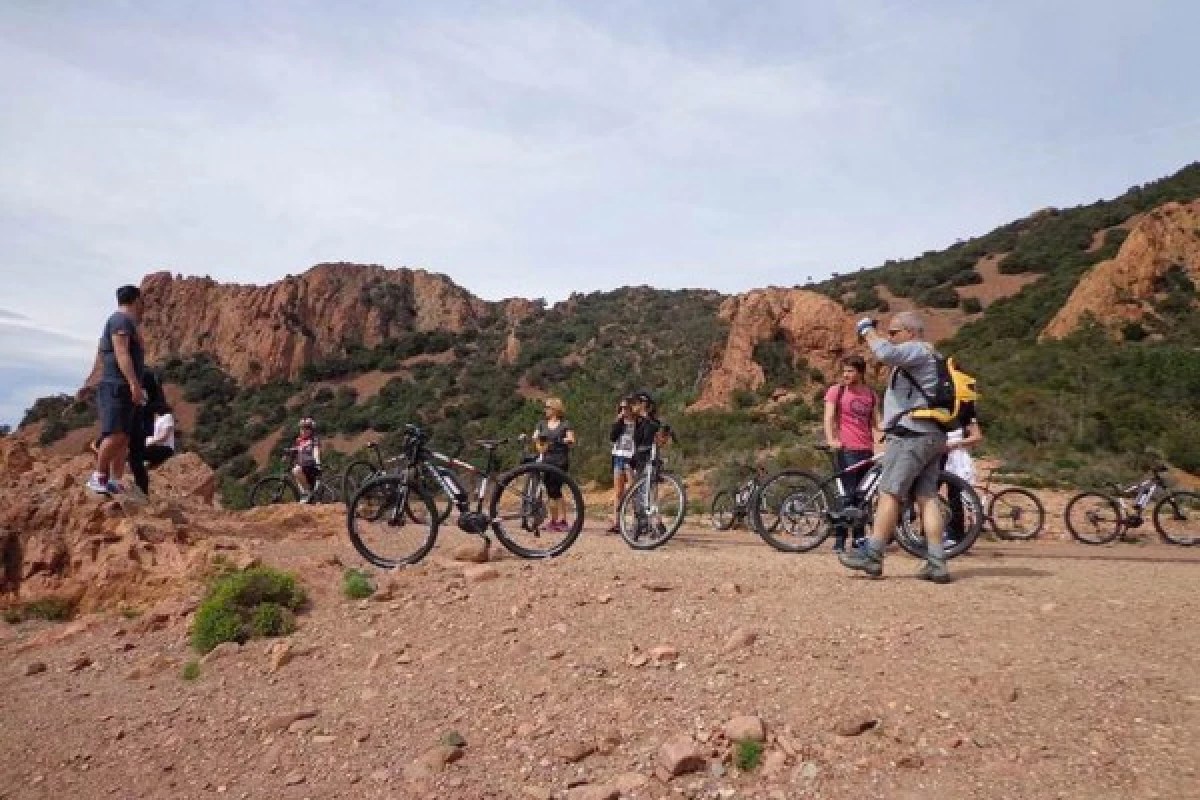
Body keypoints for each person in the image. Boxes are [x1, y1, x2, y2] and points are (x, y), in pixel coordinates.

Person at [839, 311, 951, 583]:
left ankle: (873, 556)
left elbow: (884, 354)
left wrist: (867, 329)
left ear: (911, 332)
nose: (890, 337)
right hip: (931, 435)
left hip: (910, 435)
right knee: (927, 497)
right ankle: (937, 562)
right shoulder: (933, 357)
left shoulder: (916, 349)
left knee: (889, 492)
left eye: (894, 332)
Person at [87, 285, 146, 496]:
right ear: (136, 300)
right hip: (117, 385)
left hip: (122, 386)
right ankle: (98, 477)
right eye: (142, 301)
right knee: (115, 434)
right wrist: (133, 383)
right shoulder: (120, 320)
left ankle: (113, 480)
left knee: (124, 437)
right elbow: (122, 353)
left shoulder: (126, 322)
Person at [822, 355, 881, 552]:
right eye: (844, 371)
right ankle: (839, 540)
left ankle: (858, 539)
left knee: (862, 497)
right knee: (847, 496)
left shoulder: (871, 395)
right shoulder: (836, 391)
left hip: (867, 450)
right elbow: (829, 417)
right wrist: (832, 439)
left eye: (850, 371)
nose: (846, 375)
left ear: (860, 373)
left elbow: (877, 423)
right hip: (846, 448)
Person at [941, 396, 983, 548]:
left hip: (956, 459)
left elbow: (977, 436)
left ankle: (956, 535)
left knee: (955, 496)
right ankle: (926, 533)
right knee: (929, 493)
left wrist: (956, 444)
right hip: (937, 457)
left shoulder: (965, 414)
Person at [126, 370, 175, 497]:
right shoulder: (156, 419)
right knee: (135, 454)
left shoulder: (168, 417)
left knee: (137, 454)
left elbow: (163, 436)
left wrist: (150, 442)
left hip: (165, 449)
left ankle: (140, 489)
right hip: (154, 446)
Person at [534, 397, 576, 531]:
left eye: (548, 407)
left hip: (560, 460)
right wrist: (538, 441)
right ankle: (554, 520)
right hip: (546, 459)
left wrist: (563, 440)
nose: (545, 410)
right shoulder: (541, 424)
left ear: (555, 409)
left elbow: (571, 439)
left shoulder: (565, 424)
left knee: (556, 489)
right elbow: (535, 436)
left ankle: (562, 520)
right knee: (550, 490)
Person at [607, 396, 638, 533]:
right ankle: (617, 521)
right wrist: (618, 421)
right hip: (619, 456)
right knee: (618, 491)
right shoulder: (620, 423)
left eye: (626, 407)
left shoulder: (638, 422)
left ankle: (635, 521)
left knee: (632, 490)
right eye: (621, 408)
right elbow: (612, 437)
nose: (624, 410)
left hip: (632, 458)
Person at [291, 418, 322, 503]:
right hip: (303, 466)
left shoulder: (314, 439)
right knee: (297, 474)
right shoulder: (299, 440)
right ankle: (307, 496)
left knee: (296, 470)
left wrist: (318, 463)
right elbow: (296, 451)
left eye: (307, 428)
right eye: (302, 428)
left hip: (311, 465)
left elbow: (316, 451)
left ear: (311, 430)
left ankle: (308, 493)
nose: (304, 430)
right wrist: (287, 454)